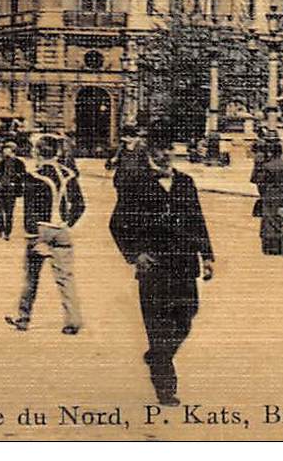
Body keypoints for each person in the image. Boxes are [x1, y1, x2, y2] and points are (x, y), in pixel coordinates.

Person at [108, 130, 215, 406]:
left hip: (184, 264)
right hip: (153, 267)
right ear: (148, 151)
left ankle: (157, 355)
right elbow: (117, 224)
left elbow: (197, 220)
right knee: (157, 327)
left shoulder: (185, 182)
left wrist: (208, 256)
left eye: (170, 149)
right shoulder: (135, 182)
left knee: (186, 317)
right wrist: (135, 254)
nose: (166, 154)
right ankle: (165, 387)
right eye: (159, 150)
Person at [5, 135, 86, 334]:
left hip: (40, 230)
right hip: (61, 230)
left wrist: (34, 238)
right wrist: (67, 222)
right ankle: (73, 320)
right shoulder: (68, 174)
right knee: (65, 278)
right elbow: (80, 205)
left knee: (31, 277)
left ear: (37, 152)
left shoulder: (35, 176)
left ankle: (23, 318)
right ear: (57, 152)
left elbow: (30, 211)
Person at [250, 140, 283, 257]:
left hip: (270, 196)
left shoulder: (266, 166)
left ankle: (272, 248)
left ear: (270, 153)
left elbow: (257, 180)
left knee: (270, 221)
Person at [0, 141, 25, 241]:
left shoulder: (19, 163)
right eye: (4, 149)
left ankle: (7, 232)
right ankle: (0, 228)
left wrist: (16, 182)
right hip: (1, 189)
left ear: (13, 151)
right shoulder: (2, 162)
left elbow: (23, 175)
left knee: (9, 212)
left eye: (7, 149)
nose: (5, 151)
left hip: (11, 190)